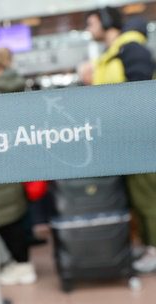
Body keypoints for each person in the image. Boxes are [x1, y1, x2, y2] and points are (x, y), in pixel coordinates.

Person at [86, 7, 156, 273]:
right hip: (124, 139)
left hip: (140, 137)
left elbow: (140, 93)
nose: (89, 29)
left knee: (149, 195)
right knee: (138, 197)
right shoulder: (112, 54)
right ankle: (149, 244)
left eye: (91, 23)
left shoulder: (130, 50)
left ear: (106, 22)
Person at [0, 48, 37, 285]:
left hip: (0, 165)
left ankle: (22, 266)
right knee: (12, 214)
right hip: (14, 164)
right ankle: (19, 263)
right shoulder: (13, 90)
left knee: (7, 216)